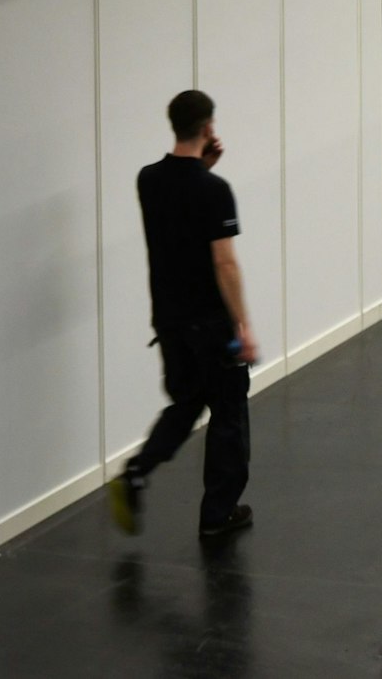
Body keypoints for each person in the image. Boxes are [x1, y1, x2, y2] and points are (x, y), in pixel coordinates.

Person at [108, 89, 258, 540]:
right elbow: (224, 263)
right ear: (208, 128)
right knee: (229, 413)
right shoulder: (215, 191)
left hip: (169, 321)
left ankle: (136, 471)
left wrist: (201, 167)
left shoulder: (147, 180)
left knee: (187, 402)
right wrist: (243, 327)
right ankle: (218, 513)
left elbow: (178, 210)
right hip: (211, 323)